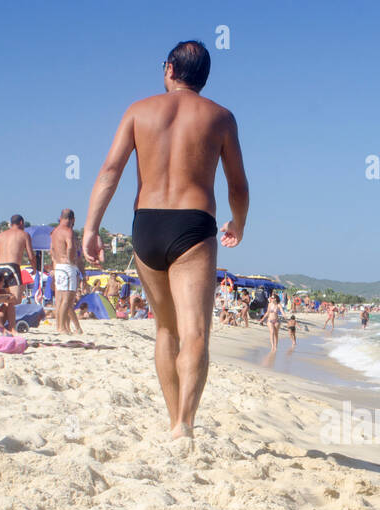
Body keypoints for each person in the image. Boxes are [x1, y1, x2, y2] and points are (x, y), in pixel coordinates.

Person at [84, 39, 249, 440]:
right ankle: (184, 424)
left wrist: (90, 228)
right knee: (195, 332)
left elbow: (110, 171)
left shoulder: (138, 111)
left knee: (165, 331)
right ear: (203, 78)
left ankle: (172, 416)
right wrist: (238, 224)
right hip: (193, 224)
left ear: (170, 71)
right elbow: (238, 186)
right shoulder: (221, 118)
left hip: (147, 224)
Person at [50, 208, 86, 334]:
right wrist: (71, 259)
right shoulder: (68, 232)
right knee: (67, 299)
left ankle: (61, 327)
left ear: (60, 218)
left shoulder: (54, 232)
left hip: (59, 266)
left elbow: (52, 250)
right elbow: (70, 246)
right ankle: (61, 327)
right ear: (72, 219)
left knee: (60, 299)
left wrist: (56, 262)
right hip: (67, 266)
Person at [0, 214, 35, 303]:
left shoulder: (1, 235)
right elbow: (31, 255)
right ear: (21, 223)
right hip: (12, 267)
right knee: (16, 299)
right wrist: (34, 269)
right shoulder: (24, 234)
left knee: (5, 300)